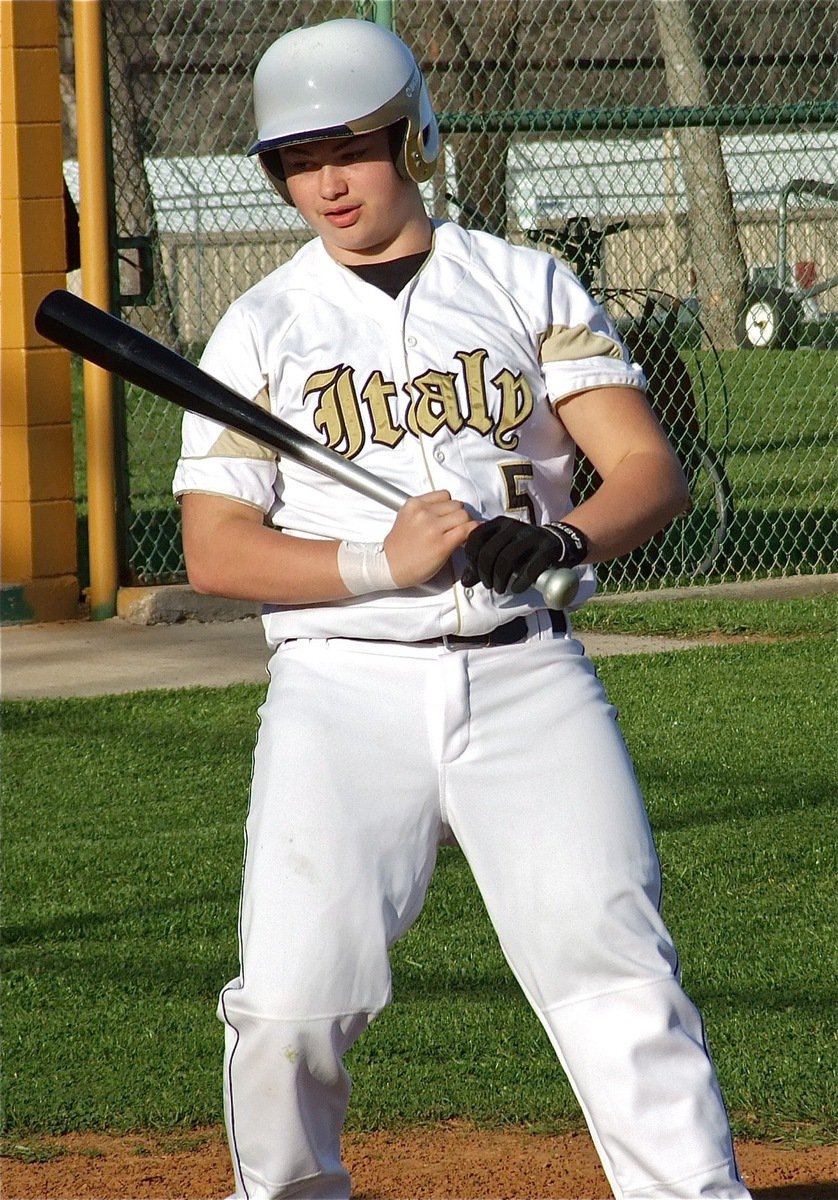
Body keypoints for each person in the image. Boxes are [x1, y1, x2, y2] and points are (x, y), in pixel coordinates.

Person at [173, 18, 751, 1200]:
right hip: (342, 685)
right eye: (297, 161)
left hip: (527, 673)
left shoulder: (521, 282)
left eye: (351, 148)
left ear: (413, 138)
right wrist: (377, 563)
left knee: (615, 976)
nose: (328, 183)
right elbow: (217, 550)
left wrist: (563, 536)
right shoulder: (261, 327)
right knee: (292, 1004)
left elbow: (646, 469)